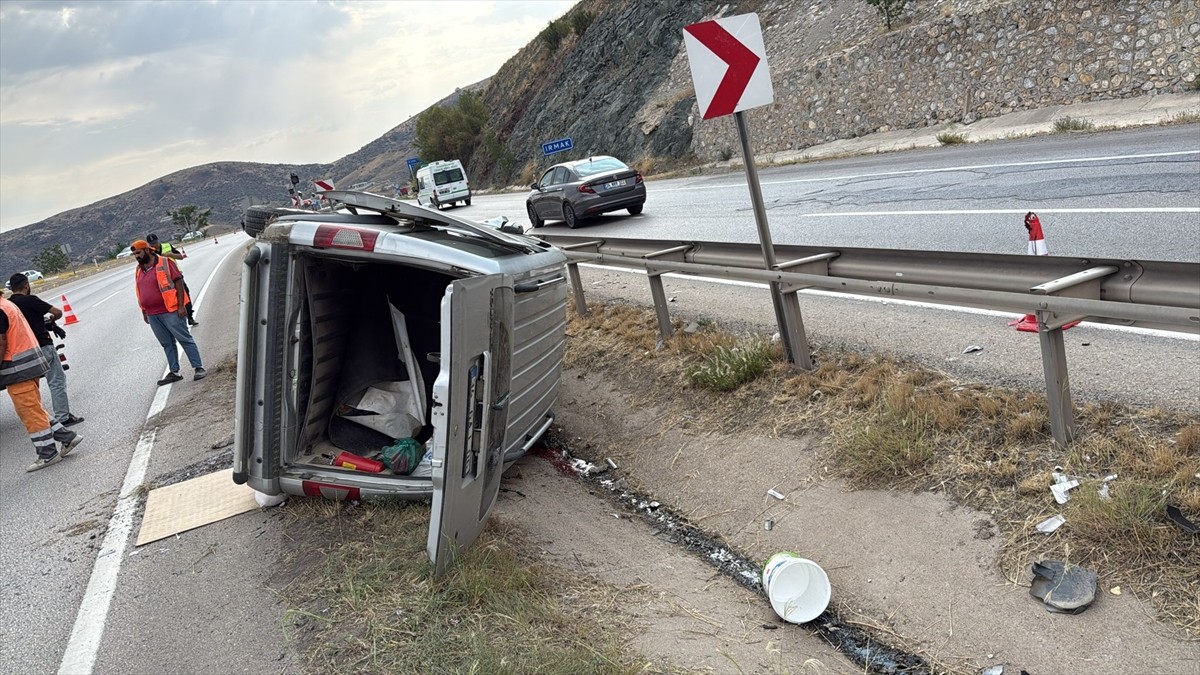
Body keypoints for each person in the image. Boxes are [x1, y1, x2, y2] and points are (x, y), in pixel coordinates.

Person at [1, 294, 83, 471]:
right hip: (26, 364)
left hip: (18, 367)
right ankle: (67, 437)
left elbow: (1, 343)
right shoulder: (6, 304)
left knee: (29, 411)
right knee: (33, 409)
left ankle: (48, 454)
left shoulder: (1, 309)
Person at [6, 272, 84, 426]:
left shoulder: (9, 305)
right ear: (27, 285)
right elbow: (57, 312)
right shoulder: (31, 300)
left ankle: (39, 419)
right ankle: (63, 417)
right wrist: (50, 322)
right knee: (56, 381)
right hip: (43, 346)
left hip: (23, 351)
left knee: (30, 389)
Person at [131, 239, 206, 385]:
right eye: (134, 254)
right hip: (153, 314)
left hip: (170, 310)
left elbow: (178, 282)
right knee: (167, 343)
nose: (136, 256)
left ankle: (198, 367)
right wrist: (144, 311)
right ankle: (174, 372)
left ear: (147, 250)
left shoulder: (165, 262)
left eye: (138, 253)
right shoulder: (139, 269)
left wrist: (181, 306)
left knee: (184, 339)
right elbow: (140, 290)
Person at [146, 233, 198, 326]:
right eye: (152, 244)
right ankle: (175, 321)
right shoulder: (150, 252)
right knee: (170, 299)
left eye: (155, 242)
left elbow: (181, 257)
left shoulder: (167, 246)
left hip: (176, 275)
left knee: (185, 296)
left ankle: (190, 317)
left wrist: (170, 254)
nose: (154, 245)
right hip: (162, 280)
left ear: (158, 240)